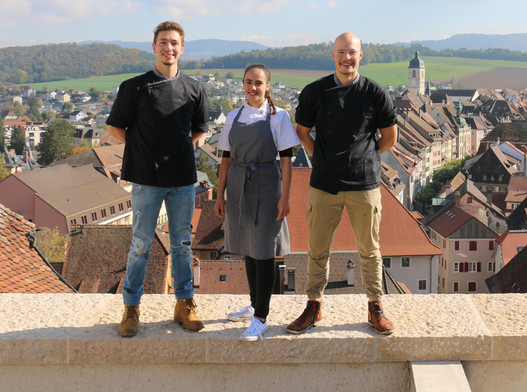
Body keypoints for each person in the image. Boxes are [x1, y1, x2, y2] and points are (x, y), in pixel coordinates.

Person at [287, 32, 398, 335]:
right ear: (332, 55)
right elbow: (302, 131)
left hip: (364, 183)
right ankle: (313, 306)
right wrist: (320, 157)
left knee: (370, 250)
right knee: (317, 249)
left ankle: (375, 307)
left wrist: (367, 157)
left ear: (361, 55)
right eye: (341, 52)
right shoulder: (315, 92)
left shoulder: (375, 93)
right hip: (324, 183)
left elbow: (389, 138)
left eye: (352, 53)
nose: (347, 58)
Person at [107, 21, 209, 338]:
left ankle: (184, 304)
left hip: (181, 178)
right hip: (145, 178)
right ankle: (131, 308)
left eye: (174, 43)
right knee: (140, 244)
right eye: (163, 42)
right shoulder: (134, 87)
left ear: (182, 48)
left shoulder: (194, 88)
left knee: (181, 244)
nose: (169, 48)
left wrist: (178, 149)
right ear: (154, 47)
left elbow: (201, 130)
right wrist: (141, 149)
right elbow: (115, 128)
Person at [214, 64, 298, 341]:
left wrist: (285, 196)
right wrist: (220, 195)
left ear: (268, 86)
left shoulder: (278, 117)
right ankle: (253, 304)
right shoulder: (233, 116)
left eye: (258, 83)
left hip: (266, 183)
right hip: (238, 185)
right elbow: (225, 158)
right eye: (248, 82)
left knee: (263, 249)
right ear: (243, 84)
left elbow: (286, 161)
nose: (253, 88)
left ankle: (261, 317)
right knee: (248, 248)